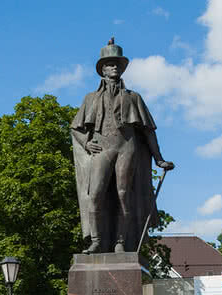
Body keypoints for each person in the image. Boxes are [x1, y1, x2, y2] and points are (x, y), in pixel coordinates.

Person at [71, 37, 174, 254]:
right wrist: (87, 143)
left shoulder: (133, 97)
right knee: (95, 194)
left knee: (123, 194)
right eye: (109, 64)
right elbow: (76, 129)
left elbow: (148, 131)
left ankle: (120, 241)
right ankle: (97, 241)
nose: (114, 67)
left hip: (127, 148)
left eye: (117, 64)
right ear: (102, 70)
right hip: (102, 148)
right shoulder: (90, 98)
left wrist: (159, 159)